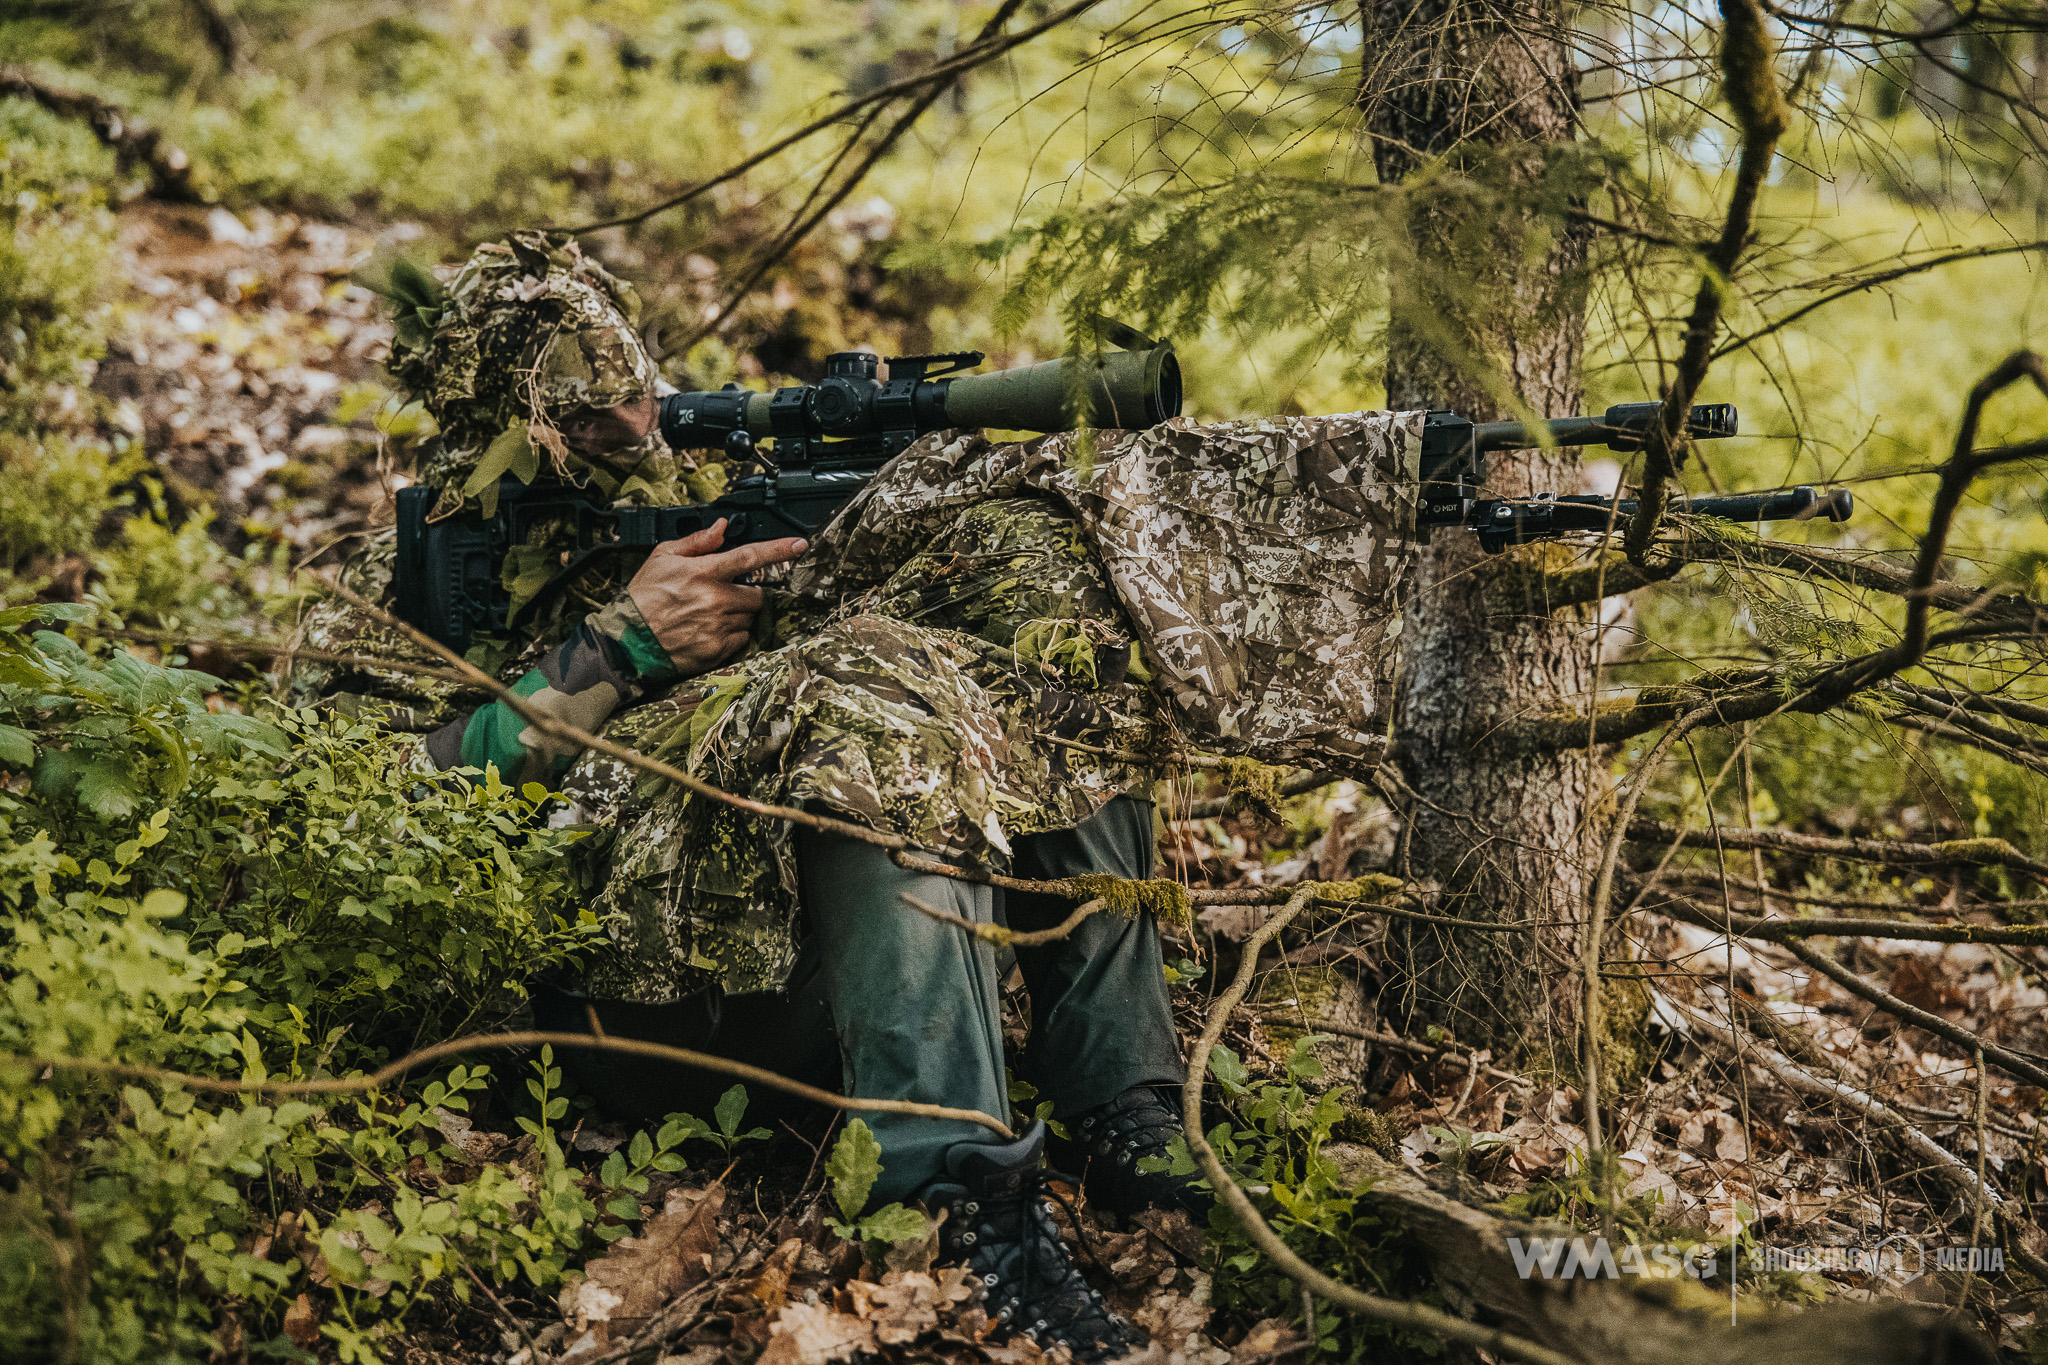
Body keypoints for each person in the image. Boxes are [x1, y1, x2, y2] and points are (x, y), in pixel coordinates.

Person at [301, 231, 1417, 1361]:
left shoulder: (719, 503)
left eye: (640, 398)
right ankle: (952, 1202)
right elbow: (358, 815)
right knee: (860, 696)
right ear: (495, 430)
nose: (637, 439)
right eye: (586, 422)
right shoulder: (396, 580)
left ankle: (1123, 1103)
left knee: (1038, 619)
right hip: (618, 1009)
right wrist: (612, 652)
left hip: (798, 966)